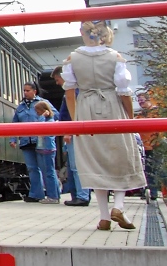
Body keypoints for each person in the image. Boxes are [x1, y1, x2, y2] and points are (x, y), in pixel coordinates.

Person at [61, 20, 145, 231]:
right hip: (112, 107)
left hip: (86, 108)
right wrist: (130, 117)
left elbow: (69, 93)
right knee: (120, 157)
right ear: (106, 34)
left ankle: (104, 216)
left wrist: (75, 119)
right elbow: (124, 91)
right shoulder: (115, 57)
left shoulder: (72, 59)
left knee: (94, 160)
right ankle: (118, 206)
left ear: (83, 33)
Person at [10, 82, 60, 203]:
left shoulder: (43, 103)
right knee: (32, 168)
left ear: (34, 91)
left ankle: (53, 195)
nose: (25, 93)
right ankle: (36, 194)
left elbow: (56, 115)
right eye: (24, 91)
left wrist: (46, 118)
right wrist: (13, 138)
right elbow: (14, 123)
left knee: (46, 169)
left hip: (41, 141)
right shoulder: (21, 107)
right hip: (26, 141)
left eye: (28, 90)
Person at [53, 65, 91, 207]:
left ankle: (82, 196)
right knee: (73, 166)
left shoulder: (72, 92)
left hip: (73, 132)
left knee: (76, 166)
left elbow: (72, 113)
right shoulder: (74, 91)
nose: (57, 83)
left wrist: (69, 131)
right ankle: (78, 195)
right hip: (71, 131)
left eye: (58, 79)